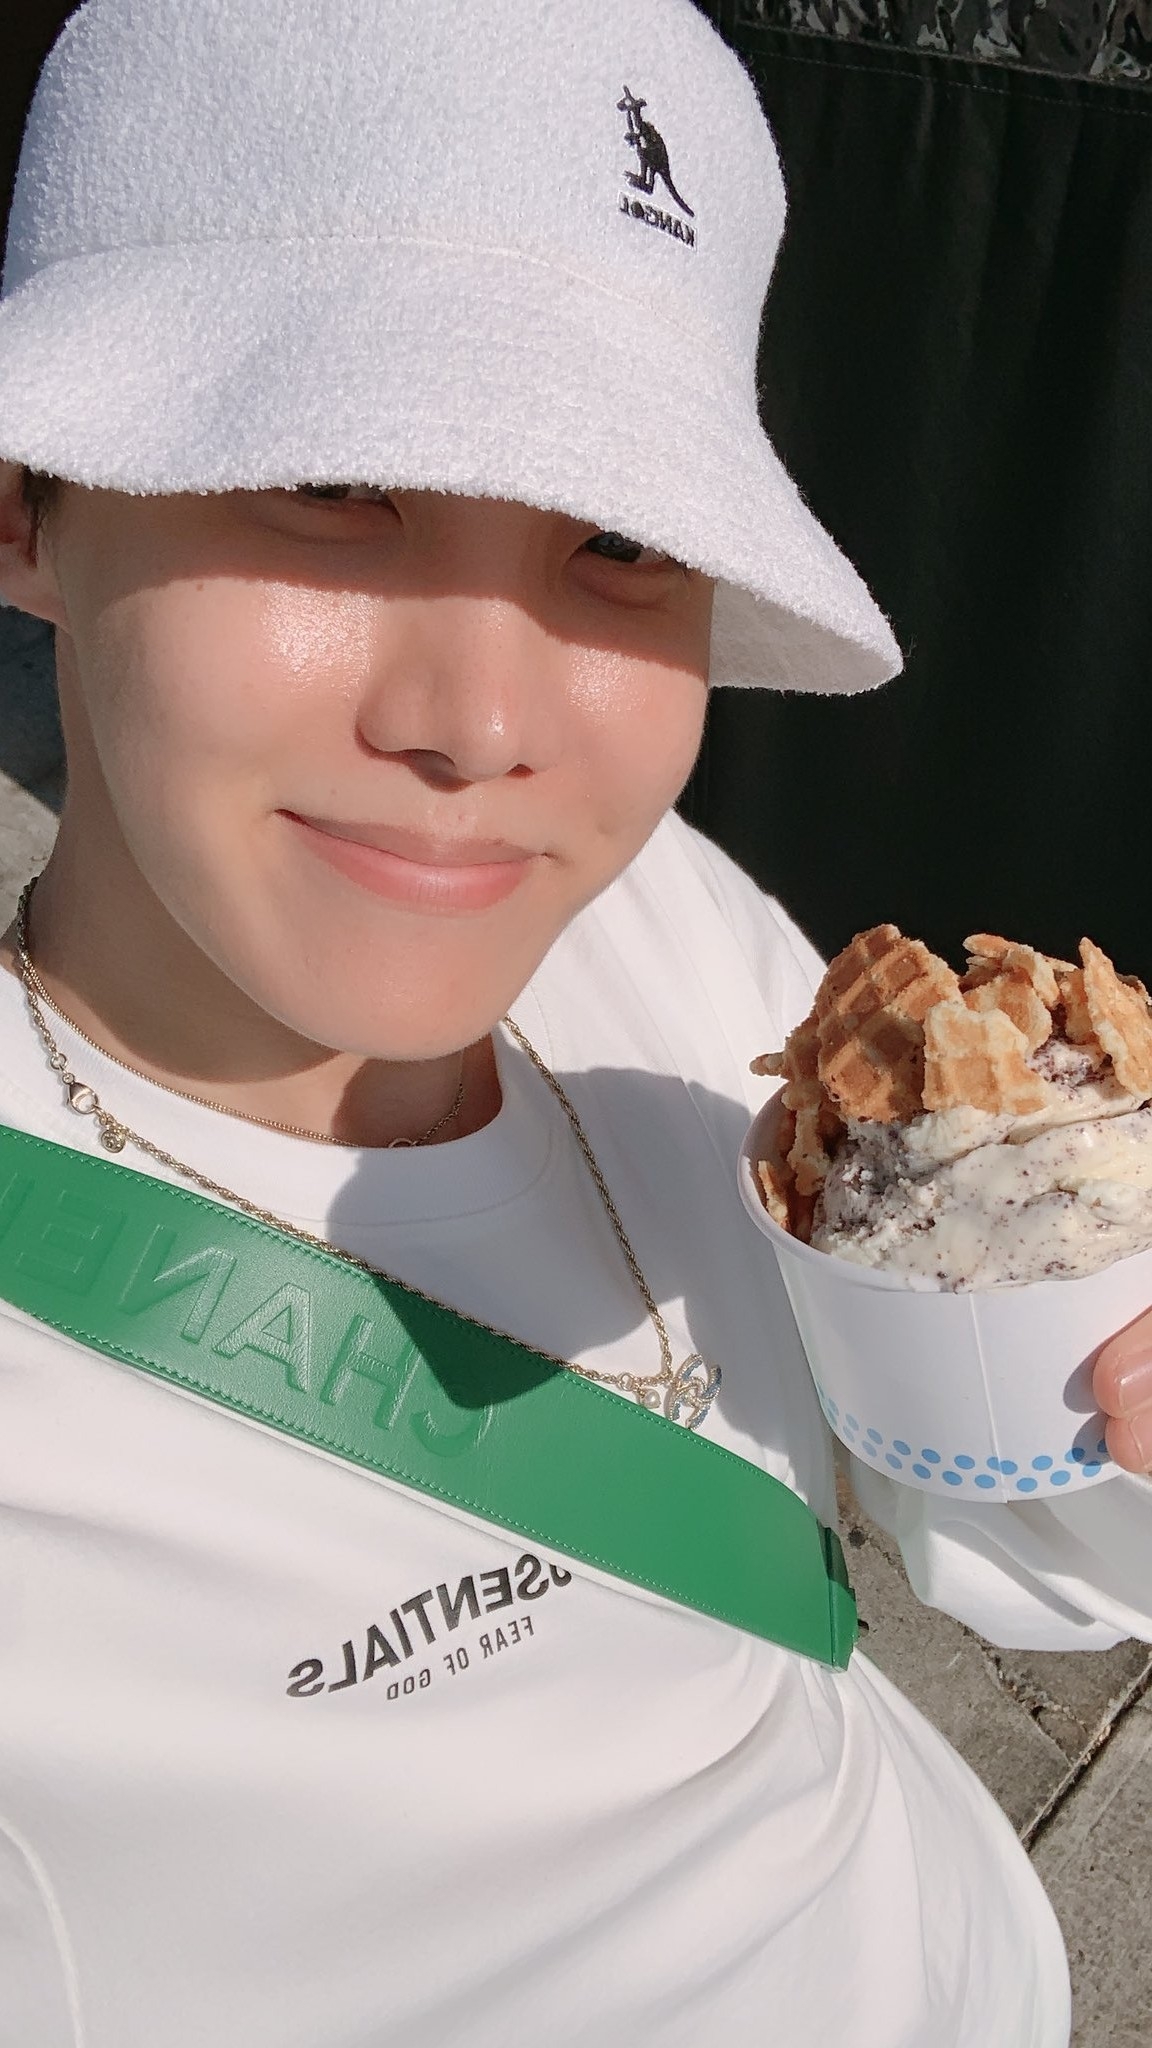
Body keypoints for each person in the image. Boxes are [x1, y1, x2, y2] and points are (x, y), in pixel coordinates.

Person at [0, 3, 1148, 2044]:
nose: (482, 725)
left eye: (621, 540)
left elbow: (986, 1516)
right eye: (332, 482)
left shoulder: (660, 937)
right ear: (29, 503)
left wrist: (1105, 1398)